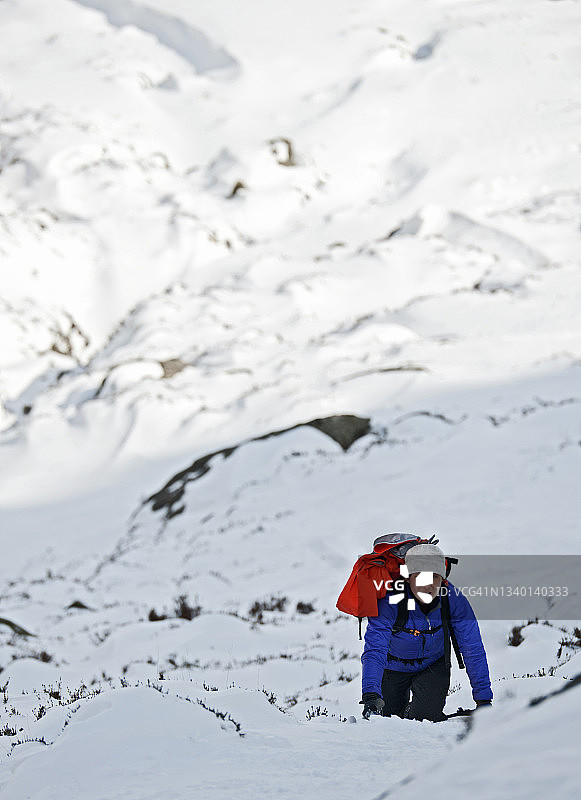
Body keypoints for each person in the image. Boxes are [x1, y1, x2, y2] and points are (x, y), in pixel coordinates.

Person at [360, 543, 492, 721]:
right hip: (392, 666)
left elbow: (472, 648)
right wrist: (370, 694)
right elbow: (375, 648)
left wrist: (483, 699)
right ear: (408, 578)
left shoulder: (453, 599)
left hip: (433, 664)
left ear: (443, 579)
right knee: (388, 718)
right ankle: (402, 712)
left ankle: (412, 713)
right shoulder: (390, 601)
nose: (428, 585)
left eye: (435, 577)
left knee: (425, 718)